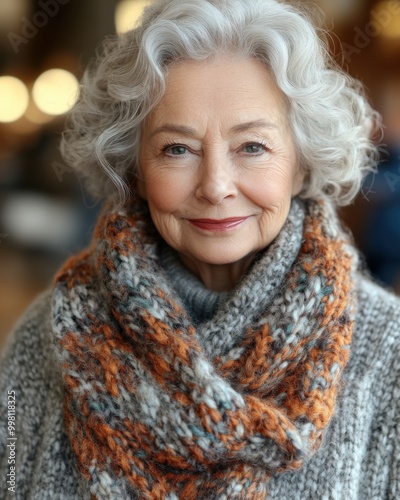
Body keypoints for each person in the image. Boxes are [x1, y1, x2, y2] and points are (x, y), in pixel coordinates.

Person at [1, 0, 399, 498]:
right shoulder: (42, 339)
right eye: (177, 149)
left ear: (301, 164)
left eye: (252, 147)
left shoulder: (390, 352)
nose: (215, 186)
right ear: (134, 169)